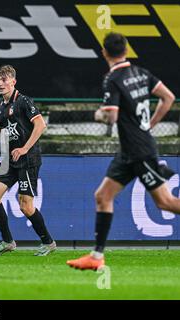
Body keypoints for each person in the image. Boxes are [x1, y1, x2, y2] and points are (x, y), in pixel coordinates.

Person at [67, 32, 177, 271]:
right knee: (102, 196)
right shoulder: (141, 73)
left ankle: (96, 256)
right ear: (126, 50)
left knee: (166, 203)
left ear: (104, 52)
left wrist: (98, 114)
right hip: (129, 151)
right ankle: (96, 257)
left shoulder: (113, 78)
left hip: (139, 151)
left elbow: (111, 116)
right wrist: (150, 126)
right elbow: (168, 98)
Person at [0, 65, 56, 256]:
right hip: (10, 160)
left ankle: (48, 242)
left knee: (25, 206)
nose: (0, 84)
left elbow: (41, 125)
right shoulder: (0, 106)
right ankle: (8, 241)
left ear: (13, 82)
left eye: (4, 80)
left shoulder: (24, 101)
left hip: (28, 159)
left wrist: (25, 148)